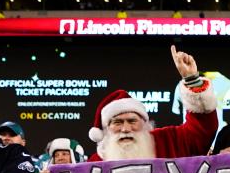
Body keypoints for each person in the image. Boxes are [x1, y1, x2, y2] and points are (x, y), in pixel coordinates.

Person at [86, 46, 217, 162]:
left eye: (132, 121)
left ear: (145, 124)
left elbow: (201, 131)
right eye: (117, 122)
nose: (125, 129)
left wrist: (192, 80)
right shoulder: (95, 164)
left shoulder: (168, 141)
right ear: (106, 128)